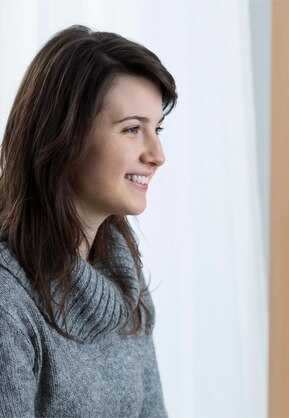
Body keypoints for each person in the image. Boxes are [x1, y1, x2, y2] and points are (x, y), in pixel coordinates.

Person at [0, 25, 176, 416]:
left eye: (157, 129)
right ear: (64, 137)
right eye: (132, 129)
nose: (157, 154)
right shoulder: (8, 303)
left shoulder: (126, 281)